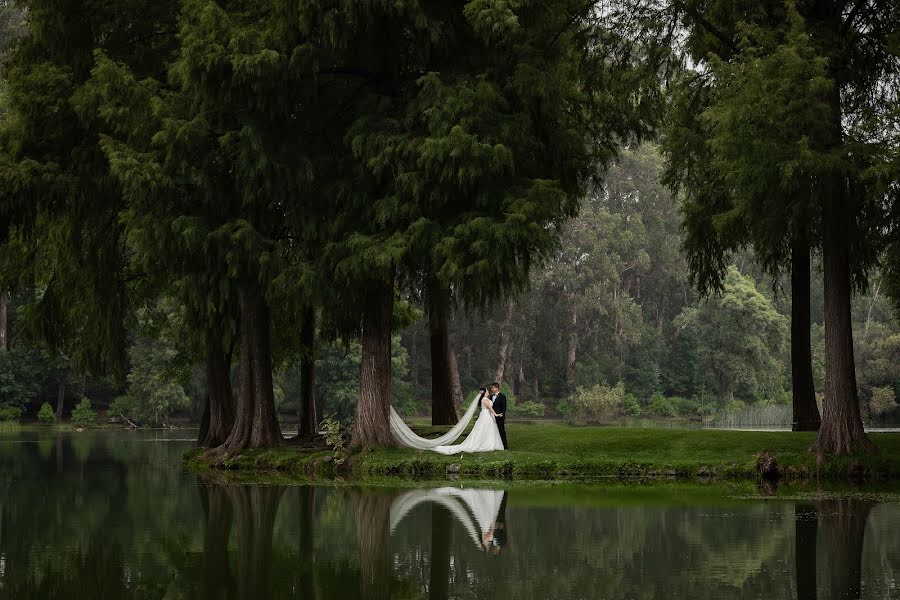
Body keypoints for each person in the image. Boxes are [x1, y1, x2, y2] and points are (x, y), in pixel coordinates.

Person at [432, 387, 505, 455]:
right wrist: (495, 414)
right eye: (487, 391)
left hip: (486, 415)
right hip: (486, 416)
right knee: (484, 429)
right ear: (484, 393)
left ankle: (489, 442)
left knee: (487, 429)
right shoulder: (485, 400)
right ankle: (484, 443)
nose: (488, 392)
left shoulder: (485, 399)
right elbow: (490, 408)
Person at [489, 382, 508, 450]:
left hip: (500, 416)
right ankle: (494, 445)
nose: (492, 389)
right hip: (492, 416)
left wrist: (502, 414)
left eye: (493, 388)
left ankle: (505, 446)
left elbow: (504, 406)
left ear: (497, 388)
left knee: (501, 431)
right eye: (491, 388)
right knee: (493, 431)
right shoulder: (491, 396)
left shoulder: (502, 396)